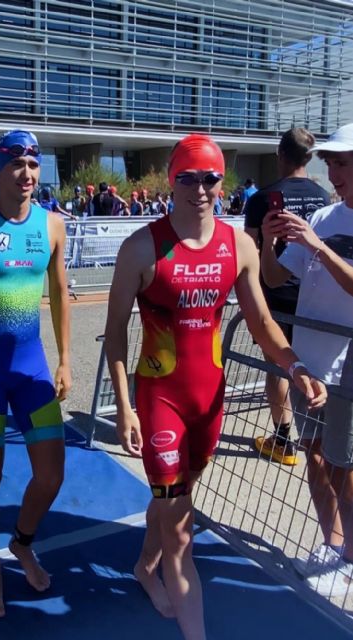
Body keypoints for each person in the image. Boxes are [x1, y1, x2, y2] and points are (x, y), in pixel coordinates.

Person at [105, 133, 327, 640]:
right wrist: (123, 405)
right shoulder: (141, 247)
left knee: (172, 500)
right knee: (181, 526)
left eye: (210, 179)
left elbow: (263, 321)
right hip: (158, 399)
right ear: (171, 180)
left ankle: (144, 567)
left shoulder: (239, 245)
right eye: (188, 178)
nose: (200, 189)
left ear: (221, 183)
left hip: (208, 401)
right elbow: (115, 331)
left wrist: (294, 366)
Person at [0, 129, 72, 618]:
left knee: (51, 474)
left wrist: (66, 358)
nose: (26, 175)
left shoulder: (52, 227)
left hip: (31, 367)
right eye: (16, 165)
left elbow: (62, 292)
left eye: (33, 166)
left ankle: (22, 542)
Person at [261, 122, 353, 597]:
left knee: (344, 463)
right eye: (330, 162)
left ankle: (351, 556)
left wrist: (317, 248)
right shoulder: (323, 218)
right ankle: (332, 547)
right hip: (308, 362)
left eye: (341, 163)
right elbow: (275, 280)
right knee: (315, 456)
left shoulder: (323, 229)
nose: (332, 171)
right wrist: (267, 241)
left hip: (347, 367)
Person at [245, 128, 330, 465]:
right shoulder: (325, 198)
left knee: (278, 365)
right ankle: (318, 433)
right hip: (314, 294)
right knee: (314, 363)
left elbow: (249, 247)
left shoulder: (263, 198)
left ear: (281, 155)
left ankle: (283, 438)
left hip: (277, 292)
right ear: (308, 159)